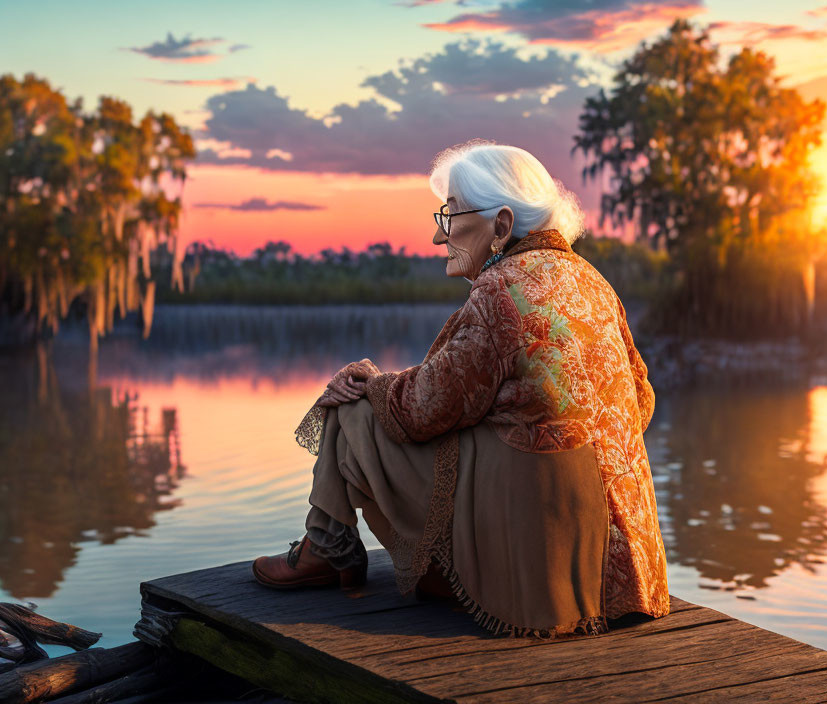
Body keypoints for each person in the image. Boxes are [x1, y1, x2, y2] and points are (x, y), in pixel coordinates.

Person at [251, 139, 670, 637]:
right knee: (473, 426)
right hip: (630, 572)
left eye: (449, 216)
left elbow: (424, 411)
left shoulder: (500, 291)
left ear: (502, 226)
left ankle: (326, 549)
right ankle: (356, 552)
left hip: (542, 574)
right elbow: (641, 401)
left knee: (355, 408)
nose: (435, 236)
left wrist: (372, 381)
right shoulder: (592, 280)